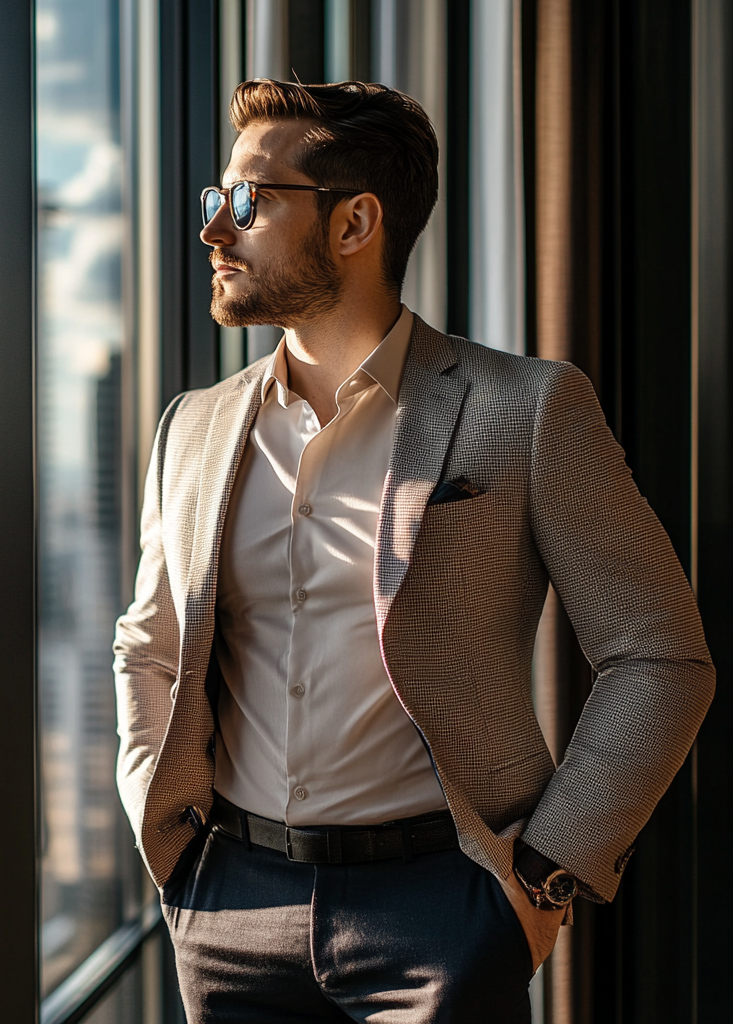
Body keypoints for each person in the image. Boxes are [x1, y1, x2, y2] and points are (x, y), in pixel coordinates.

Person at [113, 79, 714, 1022]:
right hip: (229, 908)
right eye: (217, 199)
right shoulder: (193, 426)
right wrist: (172, 845)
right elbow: (149, 645)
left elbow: (661, 657)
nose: (215, 231)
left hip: (443, 909)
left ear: (355, 224)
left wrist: (548, 874)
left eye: (251, 202)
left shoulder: (528, 408)